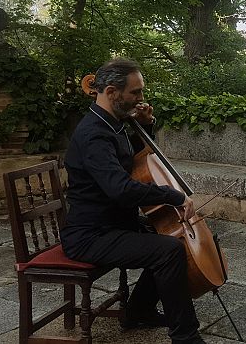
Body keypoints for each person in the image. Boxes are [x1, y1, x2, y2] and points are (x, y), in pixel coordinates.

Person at [61, 58, 206, 344]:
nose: (141, 98)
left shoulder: (113, 124)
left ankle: (139, 311)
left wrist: (145, 127)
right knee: (168, 251)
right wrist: (173, 196)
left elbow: (135, 164)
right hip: (90, 235)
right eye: (135, 92)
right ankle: (186, 337)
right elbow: (121, 189)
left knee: (170, 237)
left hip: (114, 223)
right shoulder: (94, 134)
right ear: (111, 92)